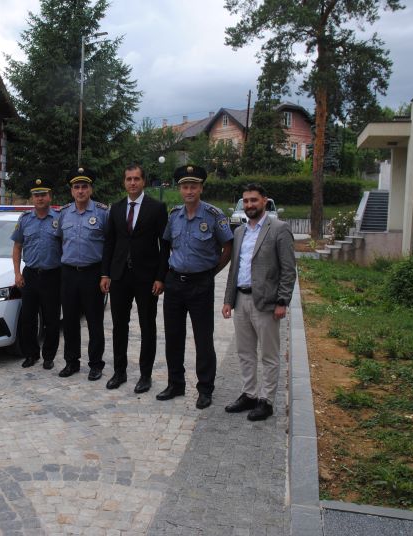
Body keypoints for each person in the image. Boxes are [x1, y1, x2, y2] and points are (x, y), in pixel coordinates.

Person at [159, 165, 233, 409]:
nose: (189, 191)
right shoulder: (174, 215)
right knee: (173, 336)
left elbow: (228, 247)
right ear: (180, 189)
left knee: (203, 338)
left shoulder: (213, 215)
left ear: (201, 188)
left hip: (201, 284)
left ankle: (205, 388)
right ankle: (175, 383)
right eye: (185, 187)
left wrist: (212, 272)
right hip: (175, 283)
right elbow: (166, 244)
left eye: (193, 186)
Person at [222, 183, 296, 421]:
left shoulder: (279, 229)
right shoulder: (239, 232)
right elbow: (234, 268)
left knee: (269, 355)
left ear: (264, 200)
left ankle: (267, 400)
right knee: (245, 352)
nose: (249, 205)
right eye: (245, 201)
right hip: (241, 300)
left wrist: (282, 301)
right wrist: (228, 300)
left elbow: (288, 269)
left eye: (254, 200)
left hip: (266, 302)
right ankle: (249, 394)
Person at [100, 163, 169, 394]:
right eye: (128, 179)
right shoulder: (116, 208)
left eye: (136, 179)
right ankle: (119, 372)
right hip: (119, 276)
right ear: (124, 182)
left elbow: (164, 246)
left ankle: (145, 375)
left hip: (146, 277)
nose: (132, 183)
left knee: (147, 326)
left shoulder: (157, 208)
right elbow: (109, 243)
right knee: (119, 326)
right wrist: (105, 273)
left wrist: (160, 277)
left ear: (143, 181)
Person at [56, 168, 109, 380]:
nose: (80, 191)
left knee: (95, 321)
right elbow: (59, 241)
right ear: (71, 191)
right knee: (69, 320)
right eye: (76, 187)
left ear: (90, 189)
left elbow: (109, 245)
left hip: (93, 274)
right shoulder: (64, 213)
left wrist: (105, 274)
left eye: (84, 187)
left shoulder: (102, 213)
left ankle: (96, 364)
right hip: (69, 273)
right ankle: (71, 362)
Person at [11, 178, 63, 370]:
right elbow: (17, 247)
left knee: (51, 319)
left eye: (43, 195)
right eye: (36, 195)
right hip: (31, 275)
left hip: (52, 275)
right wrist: (17, 273)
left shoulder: (59, 219)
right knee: (28, 318)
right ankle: (31, 354)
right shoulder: (25, 220)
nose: (40, 198)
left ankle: (49, 356)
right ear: (32, 198)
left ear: (50, 197)